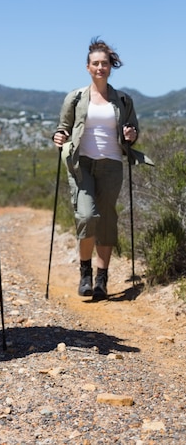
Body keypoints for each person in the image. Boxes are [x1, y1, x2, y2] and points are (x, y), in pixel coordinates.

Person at [53, 38, 139, 301]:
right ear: (88, 67)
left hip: (112, 164)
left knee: (107, 220)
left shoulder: (123, 100)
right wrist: (59, 136)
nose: (100, 67)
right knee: (87, 216)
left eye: (104, 63)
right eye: (95, 63)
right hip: (82, 164)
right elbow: (63, 127)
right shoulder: (76, 98)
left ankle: (101, 279)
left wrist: (131, 134)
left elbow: (134, 132)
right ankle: (85, 272)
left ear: (110, 67)